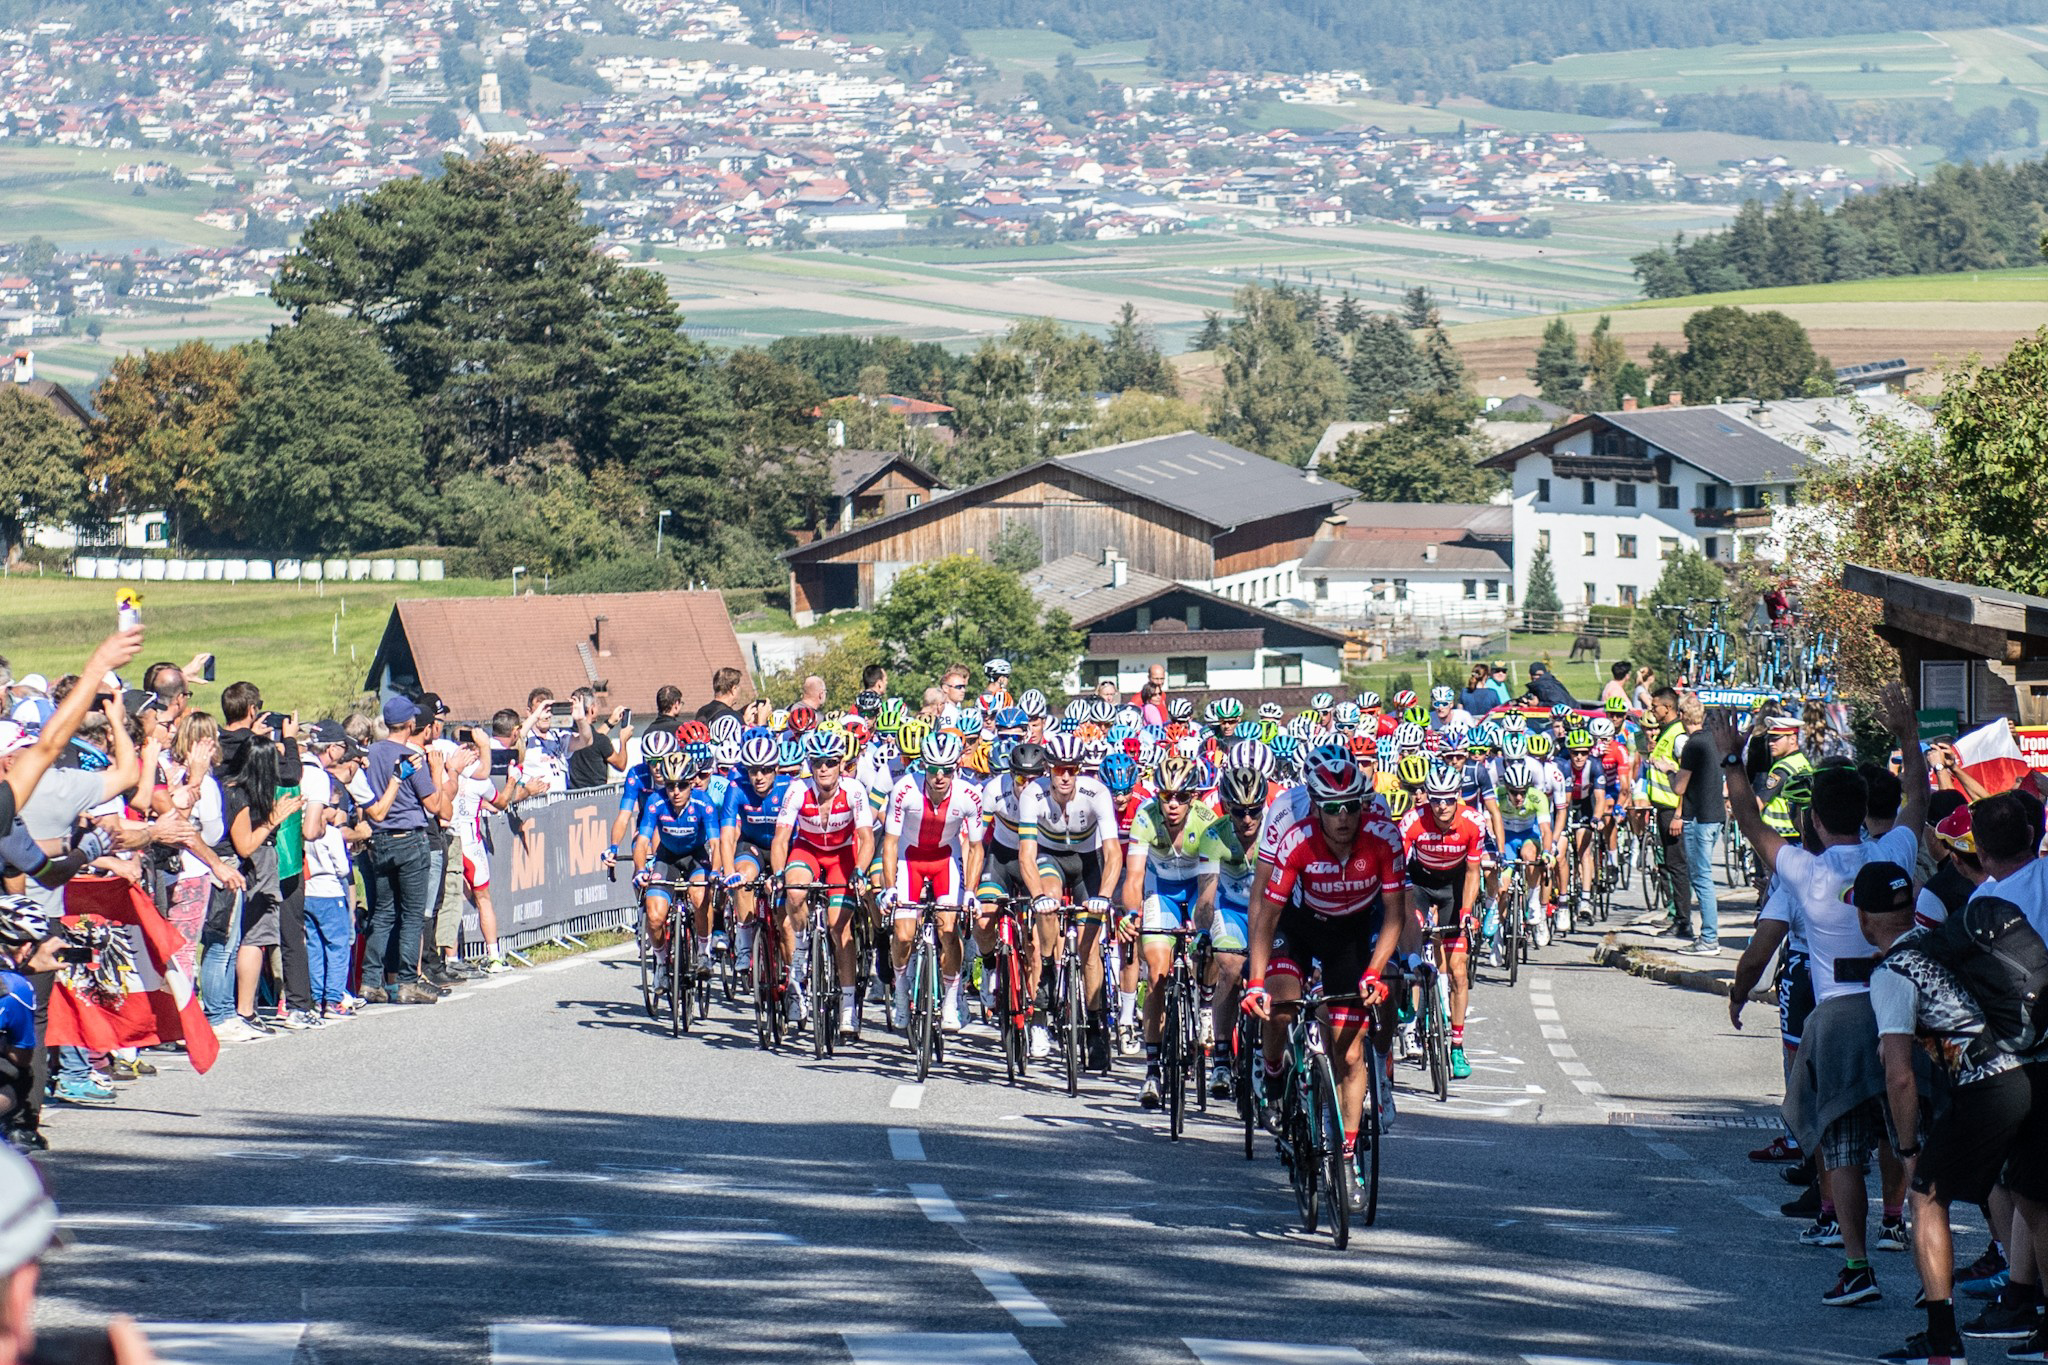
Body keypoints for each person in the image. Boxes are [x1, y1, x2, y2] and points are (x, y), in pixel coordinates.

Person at [1712, 682, 1928, 1308]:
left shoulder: (1804, 872)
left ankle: (1856, 1265)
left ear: (1812, 818)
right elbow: (1915, 799)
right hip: (1897, 1011)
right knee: (1903, 1141)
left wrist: (1731, 759)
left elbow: (1749, 820)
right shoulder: (1892, 852)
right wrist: (1908, 737)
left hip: (1834, 1019)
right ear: (1862, 811)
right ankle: (1920, 1257)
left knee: (1842, 1150)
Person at [1858, 862, 2048, 1365]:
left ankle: (1941, 1341)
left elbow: (1899, 1075)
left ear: (1863, 920)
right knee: (2034, 1200)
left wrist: (1908, 1150)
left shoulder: (1892, 972)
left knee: (1926, 1200)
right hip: (2037, 1072)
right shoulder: (1943, 944)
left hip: (1988, 1085)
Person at [1244, 747, 1407, 1214]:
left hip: (1350, 934)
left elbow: (1394, 912)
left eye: (1351, 807)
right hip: (1297, 924)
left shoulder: (1382, 835)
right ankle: (1274, 1077)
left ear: (1364, 803)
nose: (1343, 818)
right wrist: (1255, 981)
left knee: (1349, 1050)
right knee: (1278, 1005)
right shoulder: (1293, 835)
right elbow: (1267, 914)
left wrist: (1375, 970)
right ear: (1315, 806)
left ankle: (1347, 1154)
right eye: (1332, 809)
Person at [1119, 752, 1223, 1110]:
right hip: (1160, 893)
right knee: (1158, 975)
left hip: (1198, 891)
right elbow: (1133, 878)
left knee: (1209, 947)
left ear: (1193, 797)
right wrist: (1131, 913)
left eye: (1181, 797)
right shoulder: (1145, 818)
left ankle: (1207, 1001)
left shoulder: (1208, 822)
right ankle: (1152, 1072)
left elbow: (1211, 885)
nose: (1173, 804)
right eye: (1166, 796)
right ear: (1157, 796)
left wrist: (1205, 926)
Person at [770, 729, 873, 1038]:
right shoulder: (797, 790)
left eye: (830, 762)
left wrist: (860, 870)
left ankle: (847, 1007)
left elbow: (867, 838)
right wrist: (777, 874)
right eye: (818, 763)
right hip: (809, 850)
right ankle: (801, 945)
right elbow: (781, 839)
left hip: (843, 854)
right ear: (810, 765)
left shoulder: (854, 790)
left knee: (839, 928)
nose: (824, 768)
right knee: (795, 890)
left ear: (841, 764)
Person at [880, 731, 983, 1034]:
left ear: (956, 768)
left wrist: (971, 892)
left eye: (947, 770)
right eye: (933, 769)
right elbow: (889, 843)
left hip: (945, 861)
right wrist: (889, 888)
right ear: (923, 766)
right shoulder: (904, 790)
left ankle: (951, 1002)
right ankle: (901, 993)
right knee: (902, 935)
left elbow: (976, 848)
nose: (939, 777)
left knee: (949, 931)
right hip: (908, 859)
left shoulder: (968, 795)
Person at [358, 696, 449, 1006]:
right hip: (410, 837)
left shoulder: (371, 753)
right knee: (411, 915)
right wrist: (436, 771)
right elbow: (434, 805)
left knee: (382, 912)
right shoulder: (412, 757)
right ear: (411, 724)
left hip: (380, 838)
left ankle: (371, 981)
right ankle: (407, 981)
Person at [1400, 764, 1484, 1080]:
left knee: (1459, 972)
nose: (1442, 806)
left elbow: (1473, 873)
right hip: (1420, 884)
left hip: (1454, 887)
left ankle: (1457, 1046)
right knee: (1412, 931)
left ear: (1457, 797)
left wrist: (1466, 911)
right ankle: (1410, 989)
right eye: (1436, 800)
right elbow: (1398, 869)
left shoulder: (1473, 823)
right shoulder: (1412, 821)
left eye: (1449, 799)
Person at [1672, 695, 1724, 957]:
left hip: (1699, 817)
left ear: (1682, 714)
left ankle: (1709, 939)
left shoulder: (1693, 745)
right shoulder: (1712, 740)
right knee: (1704, 878)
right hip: (1716, 815)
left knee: (1701, 878)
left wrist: (1669, 771)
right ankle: (1708, 936)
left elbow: (1680, 786)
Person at [1640, 686, 1690, 939]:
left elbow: (1687, 775)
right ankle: (1678, 918)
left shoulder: (1678, 736)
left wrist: (1680, 814)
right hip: (1663, 808)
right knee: (1670, 865)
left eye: (1655, 706)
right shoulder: (1667, 735)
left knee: (1678, 866)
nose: (1652, 711)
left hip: (1673, 810)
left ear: (1667, 708)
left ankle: (1683, 922)